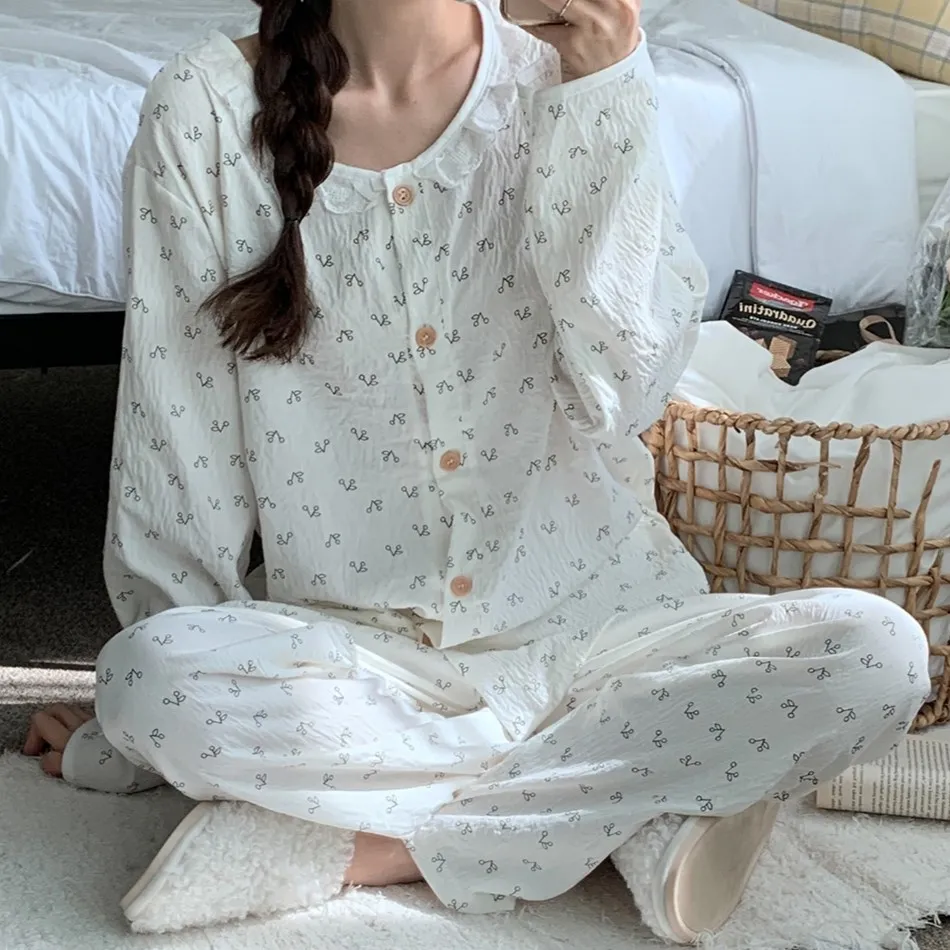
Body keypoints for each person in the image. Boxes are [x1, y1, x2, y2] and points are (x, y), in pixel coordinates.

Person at [23, 0, 929, 940]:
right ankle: (628, 801)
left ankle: (389, 847)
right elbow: (177, 443)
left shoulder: (570, 79)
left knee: (875, 655)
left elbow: (628, 390)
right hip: (367, 657)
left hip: (607, 626)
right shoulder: (204, 110)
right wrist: (137, 736)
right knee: (151, 680)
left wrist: (605, 92)